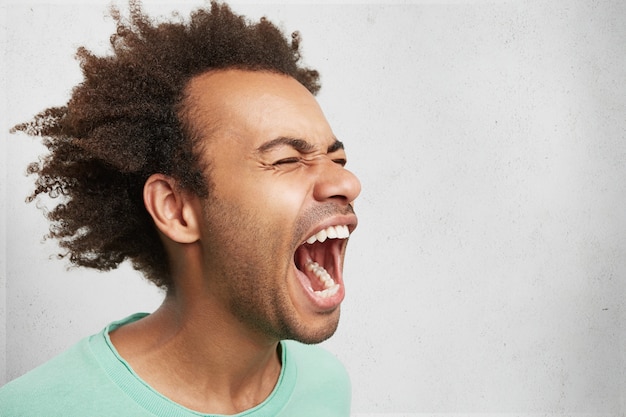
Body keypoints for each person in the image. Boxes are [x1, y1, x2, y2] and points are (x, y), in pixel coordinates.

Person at [0, 1, 361, 415]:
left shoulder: (326, 386)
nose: (347, 182)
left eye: (337, 160)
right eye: (286, 160)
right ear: (175, 209)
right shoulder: (34, 409)